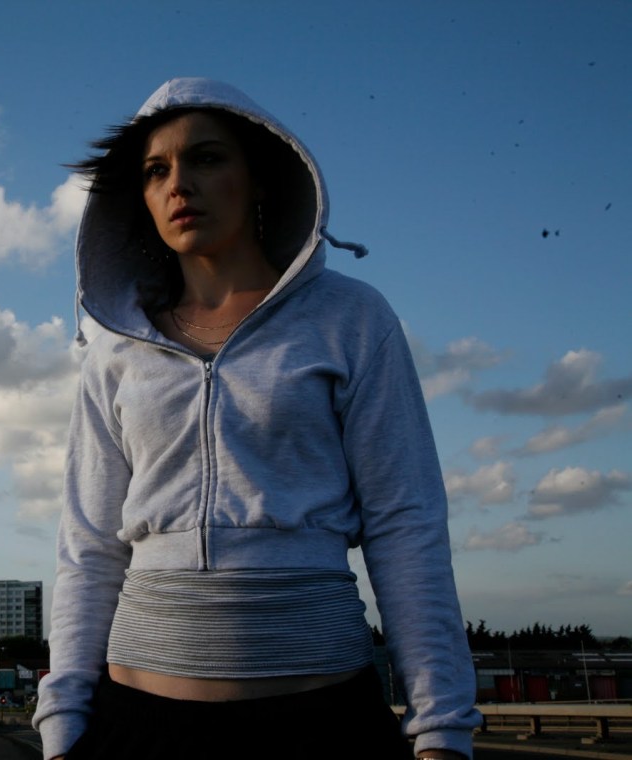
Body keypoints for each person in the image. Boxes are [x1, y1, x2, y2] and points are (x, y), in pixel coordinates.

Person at [31, 78, 481, 759]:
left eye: (207, 158)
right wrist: (63, 726)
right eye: (156, 171)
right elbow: (89, 545)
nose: (179, 184)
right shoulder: (115, 351)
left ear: (261, 179)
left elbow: (405, 522)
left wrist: (441, 728)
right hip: (137, 726)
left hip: (322, 722)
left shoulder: (350, 319)